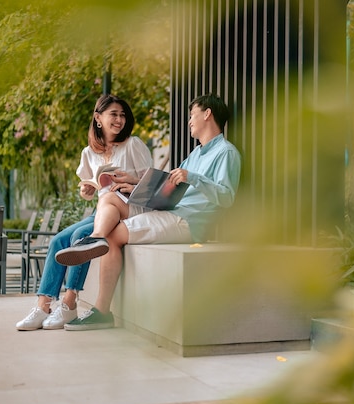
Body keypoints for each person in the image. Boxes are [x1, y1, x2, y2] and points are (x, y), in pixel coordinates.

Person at [54, 93, 242, 330]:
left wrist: (192, 177)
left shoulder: (226, 152)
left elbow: (227, 197)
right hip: (170, 211)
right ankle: (95, 239)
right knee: (111, 196)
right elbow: (168, 188)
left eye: (192, 115)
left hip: (187, 221)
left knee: (113, 236)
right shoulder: (196, 153)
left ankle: (102, 309)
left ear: (207, 114)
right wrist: (134, 184)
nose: (189, 121)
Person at [15, 94, 153, 330]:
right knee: (59, 240)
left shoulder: (133, 144)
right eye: (113, 114)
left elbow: (151, 184)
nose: (119, 119)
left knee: (81, 238)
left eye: (122, 115)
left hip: (129, 209)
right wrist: (87, 189)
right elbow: (89, 189)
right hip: (102, 209)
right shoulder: (89, 153)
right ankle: (42, 306)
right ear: (98, 118)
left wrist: (131, 179)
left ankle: (69, 305)